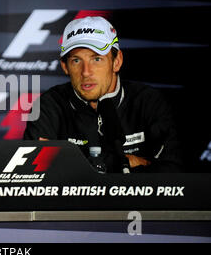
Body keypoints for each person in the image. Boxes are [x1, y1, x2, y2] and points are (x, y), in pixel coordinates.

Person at [24, 16, 182, 173]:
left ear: (117, 61)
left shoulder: (148, 101)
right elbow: (33, 174)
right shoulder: (48, 105)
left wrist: (66, 160)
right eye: (76, 61)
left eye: (97, 59)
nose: (86, 72)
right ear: (65, 66)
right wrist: (123, 163)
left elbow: (174, 173)